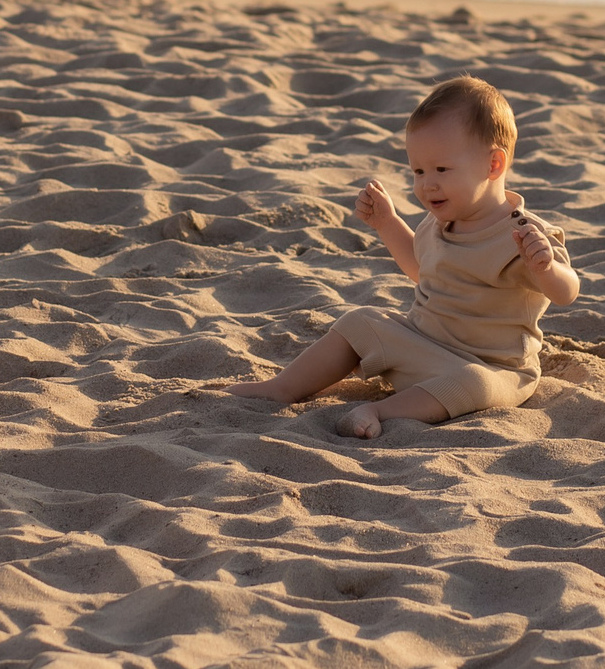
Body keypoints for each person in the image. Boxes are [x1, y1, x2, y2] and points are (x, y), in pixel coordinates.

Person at [227, 75, 576, 438]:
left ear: (493, 165)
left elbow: (567, 292)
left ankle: (378, 410)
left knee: (474, 383)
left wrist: (547, 267)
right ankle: (282, 388)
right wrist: (387, 222)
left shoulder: (523, 234)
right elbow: (422, 270)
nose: (427, 184)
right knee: (361, 320)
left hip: (491, 366)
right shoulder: (440, 221)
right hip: (422, 346)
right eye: (418, 171)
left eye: (441, 169)